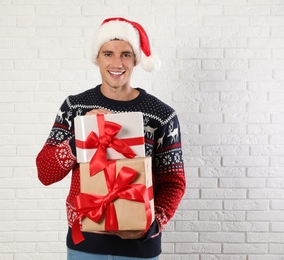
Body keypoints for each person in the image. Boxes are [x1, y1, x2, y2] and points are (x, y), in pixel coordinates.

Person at [36, 17, 186, 260]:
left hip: (139, 249)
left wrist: (153, 224)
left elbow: (174, 182)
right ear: (97, 58)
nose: (117, 63)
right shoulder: (75, 107)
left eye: (126, 54)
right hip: (85, 246)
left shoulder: (162, 115)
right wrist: (81, 136)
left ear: (136, 59)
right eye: (108, 54)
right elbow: (45, 172)